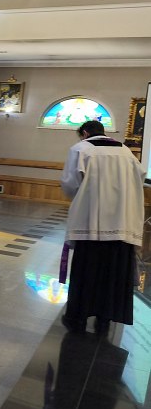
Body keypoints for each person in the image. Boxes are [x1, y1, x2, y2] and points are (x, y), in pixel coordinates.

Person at [59, 120, 143, 335]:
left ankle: (78, 317)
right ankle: (105, 319)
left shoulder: (81, 149)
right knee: (112, 274)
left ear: (85, 133)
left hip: (91, 222)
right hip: (121, 223)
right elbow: (140, 176)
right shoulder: (125, 151)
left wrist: (84, 195)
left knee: (86, 272)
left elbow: (70, 184)